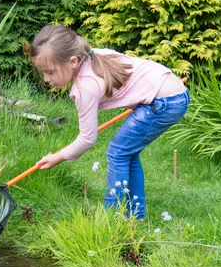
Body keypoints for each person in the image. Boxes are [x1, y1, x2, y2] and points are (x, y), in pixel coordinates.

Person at [31, 25, 189, 219]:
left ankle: (112, 218)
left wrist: (58, 157)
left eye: (50, 72)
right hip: (173, 94)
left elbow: (88, 139)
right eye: (43, 73)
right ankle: (134, 216)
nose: (46, 78)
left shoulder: (85, 87)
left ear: (72, 61)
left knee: (118, 152)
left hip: (163, 102)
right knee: (126, 152)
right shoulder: (93, 55)